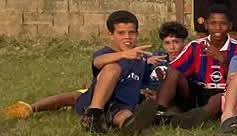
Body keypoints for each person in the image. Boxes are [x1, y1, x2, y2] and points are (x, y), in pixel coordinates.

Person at [4, 21, 188, 120]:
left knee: (118, 107)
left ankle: (129, 121)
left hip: (139, 97)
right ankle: (31, 108)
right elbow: (103, 62)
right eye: (168, 42)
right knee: (77, 95)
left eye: (176, 42)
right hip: (119, 89)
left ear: (184, 42)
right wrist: (138, 57)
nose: (172, 46)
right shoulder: (153, 56)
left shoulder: (183, 60)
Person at [155, 5, 237, 127]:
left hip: (224, 93)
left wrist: (222, 60)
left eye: (223, 23)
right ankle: (159, 113)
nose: (218, 28)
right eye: (213, 23)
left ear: (230, 25)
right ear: (206, 25)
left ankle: (192, 118)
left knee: (220, 98)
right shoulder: (195, 46)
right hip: (197, 93)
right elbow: (174, 69)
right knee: (173, 72)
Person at [74, 11, 160, 135]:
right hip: (100, 103)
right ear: (111, 35)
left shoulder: (141, 60)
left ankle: (129, 126)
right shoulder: (106, 53)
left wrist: (147, 92)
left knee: (126, 115)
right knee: (113, 68)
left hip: (122, 106)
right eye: (121, 33)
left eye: (131, 32)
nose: (127, 37)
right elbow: (97, 62)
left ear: (137, 34)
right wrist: (124, 54)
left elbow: (142, 81)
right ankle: (93, 117)